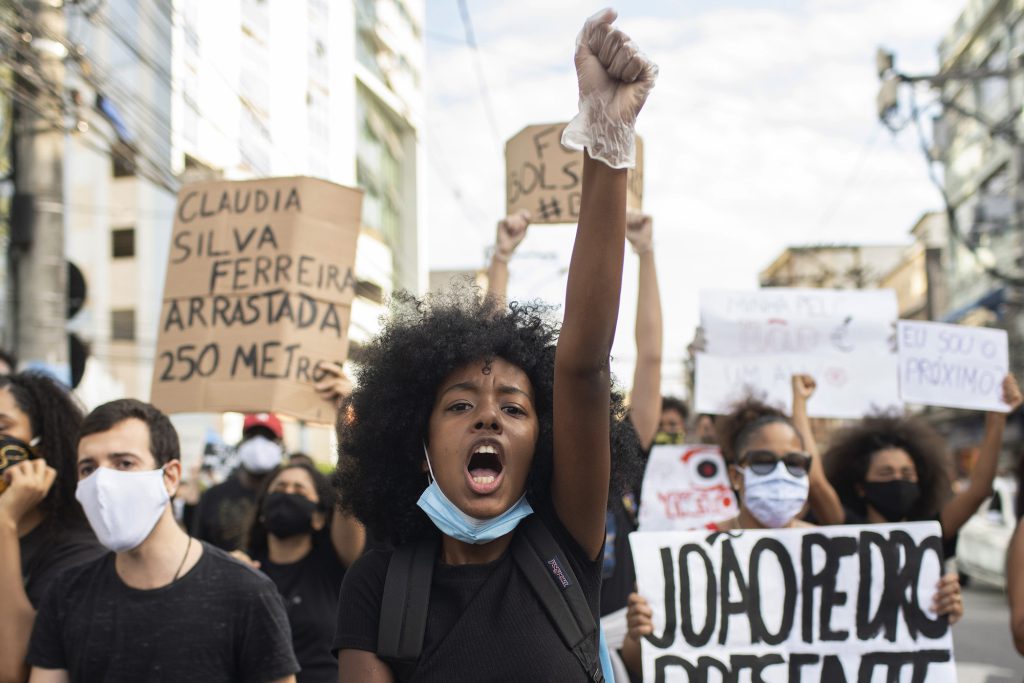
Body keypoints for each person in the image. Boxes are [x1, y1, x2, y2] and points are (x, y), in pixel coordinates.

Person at [333, 10, 656, 680]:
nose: (488, 415)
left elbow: (585, 365)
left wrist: (606, 137)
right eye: (459, 406)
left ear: (544, 439)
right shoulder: (379, 581)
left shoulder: (564, 541)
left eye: (514, 406)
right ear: (414, 436)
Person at [620, 392, 964, 679]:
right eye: (764, 461)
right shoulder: (688, 556)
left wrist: (931, 605)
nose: (781, 473)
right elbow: (643, 666)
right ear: (735, 475)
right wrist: (639, 633)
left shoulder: (838, 554)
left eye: (794, 462)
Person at [26, 398, 299, 682]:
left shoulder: (247, 594)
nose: (103, 482)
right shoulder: (66, 593)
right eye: (88, 469)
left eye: (124, 463)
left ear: (170, 477)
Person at [824, 374, 1022, 556]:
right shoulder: (847, 531)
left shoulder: (931, 532)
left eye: (907, 473)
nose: (898, 479)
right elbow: (817, 485)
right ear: (860, 487)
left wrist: (996, 420)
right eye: (886, 473)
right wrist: (800, 403)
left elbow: (979, 490)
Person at [0, 372, 105, 683]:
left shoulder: (79, 552)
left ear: (42, 447)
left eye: (2, 427)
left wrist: (4, 523)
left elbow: (13, 668)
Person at [238, 463, 365, 683]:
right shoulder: (245, 571)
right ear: (262, 510)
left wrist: (349, 454)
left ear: (318, 517)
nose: (287, 494)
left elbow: (348, 500)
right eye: (279, 489)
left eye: (299, 491)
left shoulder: (333, 566)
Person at [193, 412, 286, 551]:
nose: (258, 443)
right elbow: (199, 548)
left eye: (267, 437)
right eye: (252, 435)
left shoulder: (288, 496)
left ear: (280, 445)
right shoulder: (213, 496)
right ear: (242, 442)